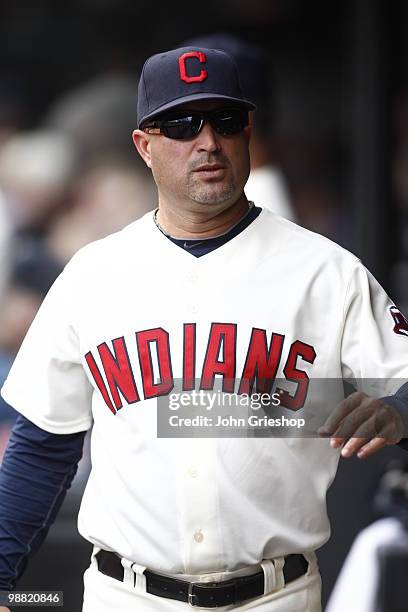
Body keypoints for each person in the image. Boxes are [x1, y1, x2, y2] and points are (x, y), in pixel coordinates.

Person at [0, 46, 407, 612]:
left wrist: (402, 410)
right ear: (145, 146)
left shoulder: (327, 273)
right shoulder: (93, 275)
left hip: (276, 596)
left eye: (226, 120)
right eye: (182, 124)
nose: (208, 141)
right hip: (128, 596)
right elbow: (44, 445)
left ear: (248, 135)